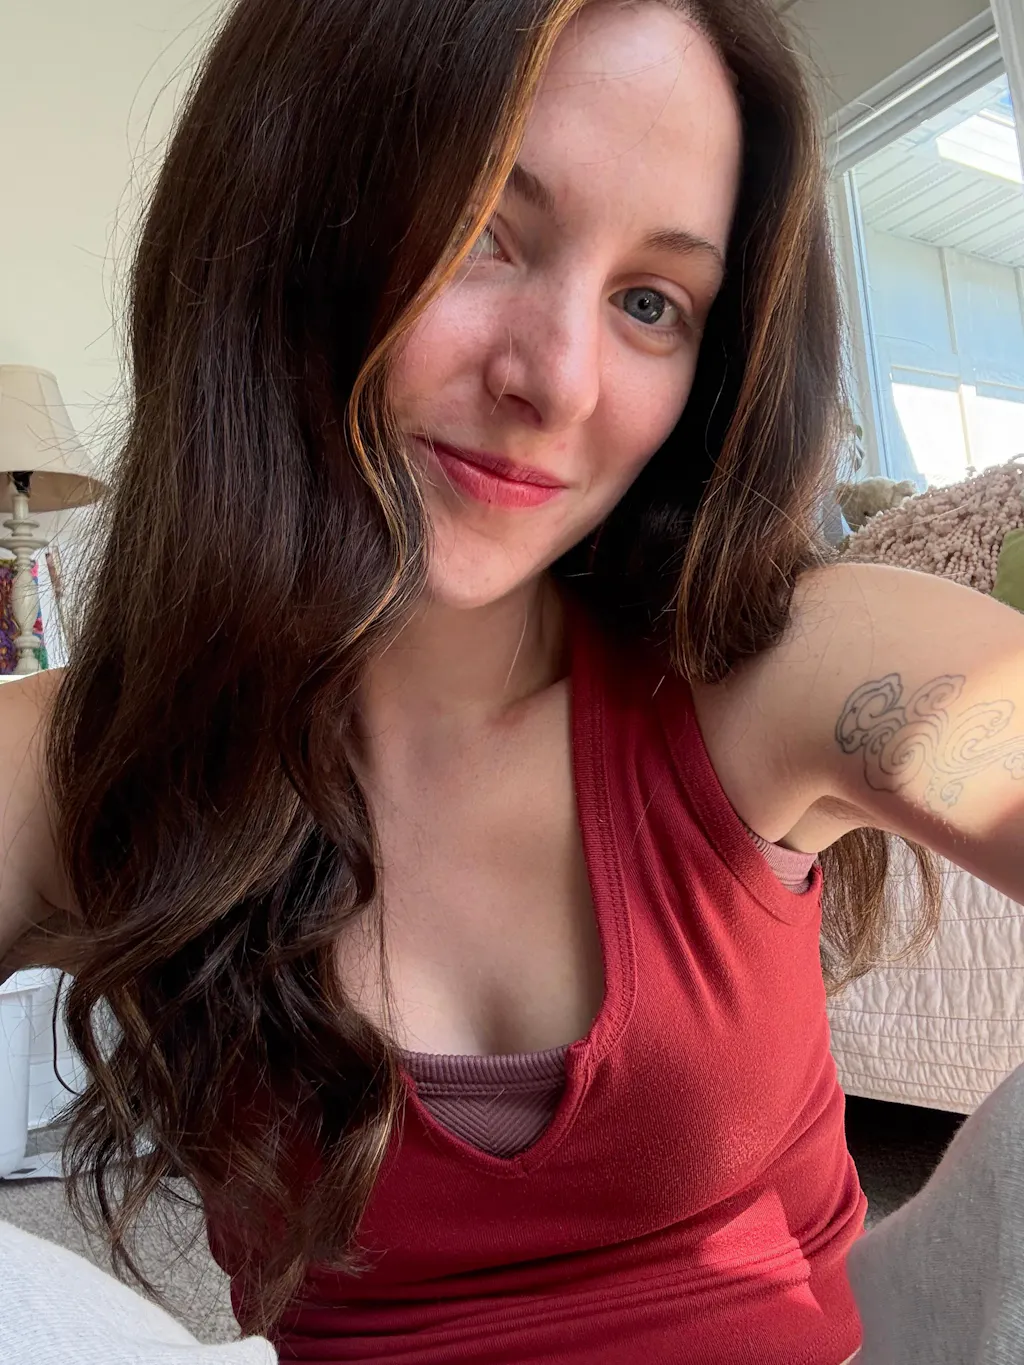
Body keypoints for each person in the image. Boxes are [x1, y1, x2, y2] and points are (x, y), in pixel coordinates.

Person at [0, 0, 1021, 1360]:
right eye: (482, 226)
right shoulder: (85, 764)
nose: (562, 382)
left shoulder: (774, 666)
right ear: (279, 215)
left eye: (651, 303)